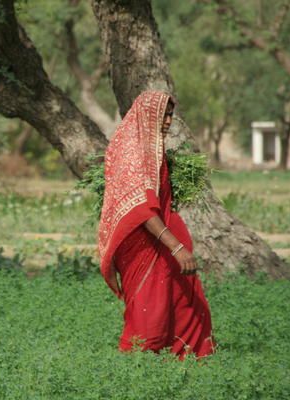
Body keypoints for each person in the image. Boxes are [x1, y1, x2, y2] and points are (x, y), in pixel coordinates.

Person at [98, 91, 215, 359]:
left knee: (185, 303)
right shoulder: (133, 153)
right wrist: (175, 247)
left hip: (161, 241)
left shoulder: (153, 149)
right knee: (149, 313)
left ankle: (186, 362)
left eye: (171, 115)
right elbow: (141, 208)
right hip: (144, 244)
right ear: (146, 116)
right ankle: (137, 370)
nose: (168, 121)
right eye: (163, 115)